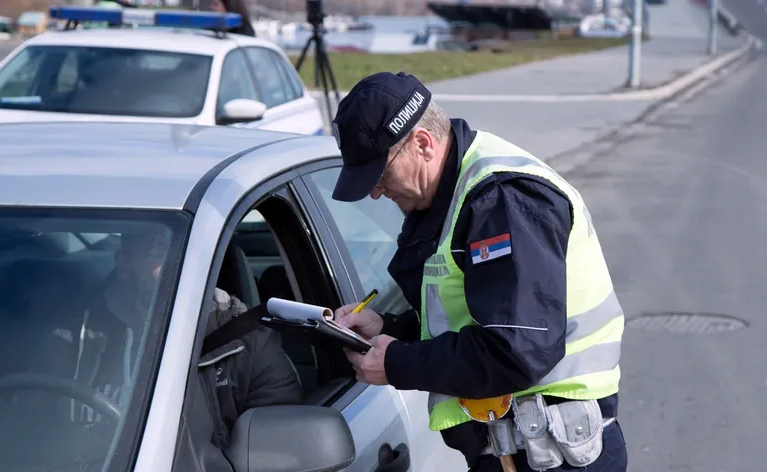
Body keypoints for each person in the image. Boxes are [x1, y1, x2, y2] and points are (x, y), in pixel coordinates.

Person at [329, 72, 627, 472]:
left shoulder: (502, 199)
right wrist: (387, 326)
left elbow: (515, 347)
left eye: (380, 175)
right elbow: (471, 312)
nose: (376, 192)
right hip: (523, 444)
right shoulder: (449, 194)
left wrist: (398, 362)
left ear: (422, 143)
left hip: (554, 453)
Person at [34, 231, 302, 443]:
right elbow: (24, 434)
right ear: (124, 265)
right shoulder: (70, 340)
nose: (179, 261)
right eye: (157, 250)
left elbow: (280, 451)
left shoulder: (248, 343)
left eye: (190, 249)